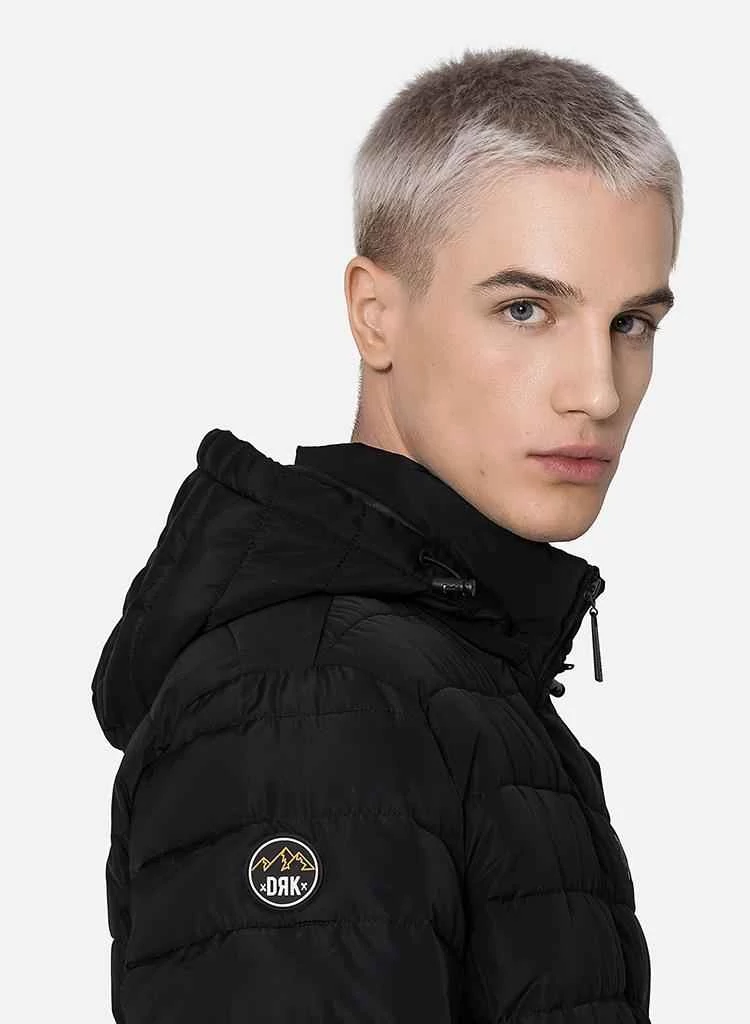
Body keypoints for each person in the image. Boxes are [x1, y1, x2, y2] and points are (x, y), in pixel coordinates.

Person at [92, 45, 681, 1023]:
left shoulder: (442, 672)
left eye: (632, 324)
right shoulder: (313, 699)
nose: (598, 392)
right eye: (526, 309)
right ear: (375, 316)